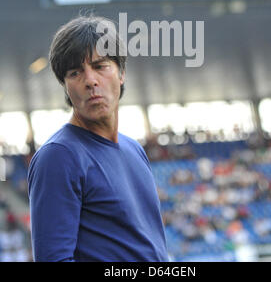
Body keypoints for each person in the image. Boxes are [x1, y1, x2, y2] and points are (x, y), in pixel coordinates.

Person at [27, 15, 169, 262]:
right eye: (75, 72)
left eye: (100, 66)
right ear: (66, 87)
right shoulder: (58, 156)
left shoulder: (134, 149)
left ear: (121, 73)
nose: (90, 80)